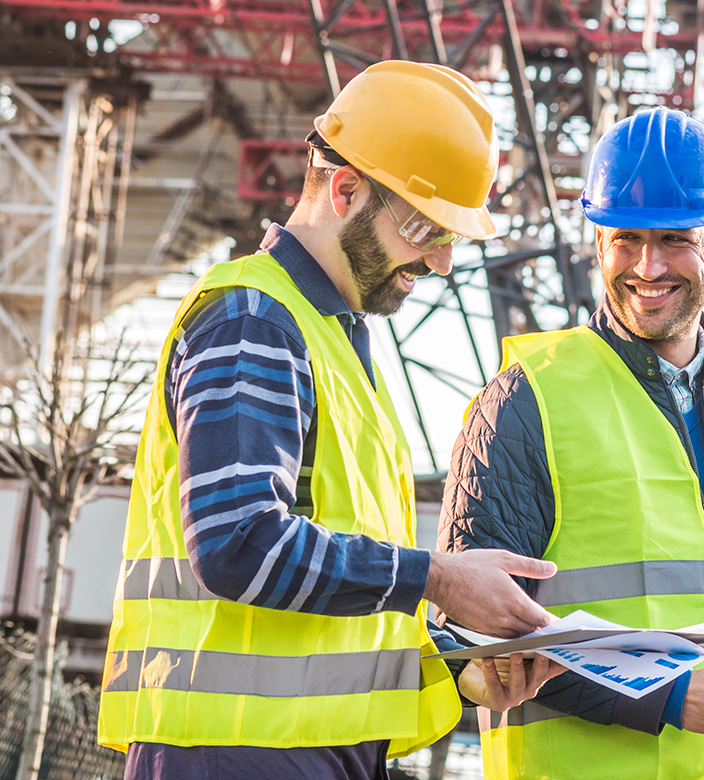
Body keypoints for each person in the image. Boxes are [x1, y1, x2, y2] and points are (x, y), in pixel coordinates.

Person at [97, 61, 563, 780]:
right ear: (344, 189)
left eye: (450, 238)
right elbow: (238, 543)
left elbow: (325, 625)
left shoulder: (333, 338)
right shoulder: (255, 319)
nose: (439, 261)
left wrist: (461, 676)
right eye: (424, 228)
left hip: (306, 754)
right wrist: (437, 577)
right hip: (236, 757)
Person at [438, 106, 704, 780]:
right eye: (624, 238)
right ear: (597, 243)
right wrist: (669, 698)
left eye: (674, 240)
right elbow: (473, 640)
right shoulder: (525, 400)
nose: (646, 266)